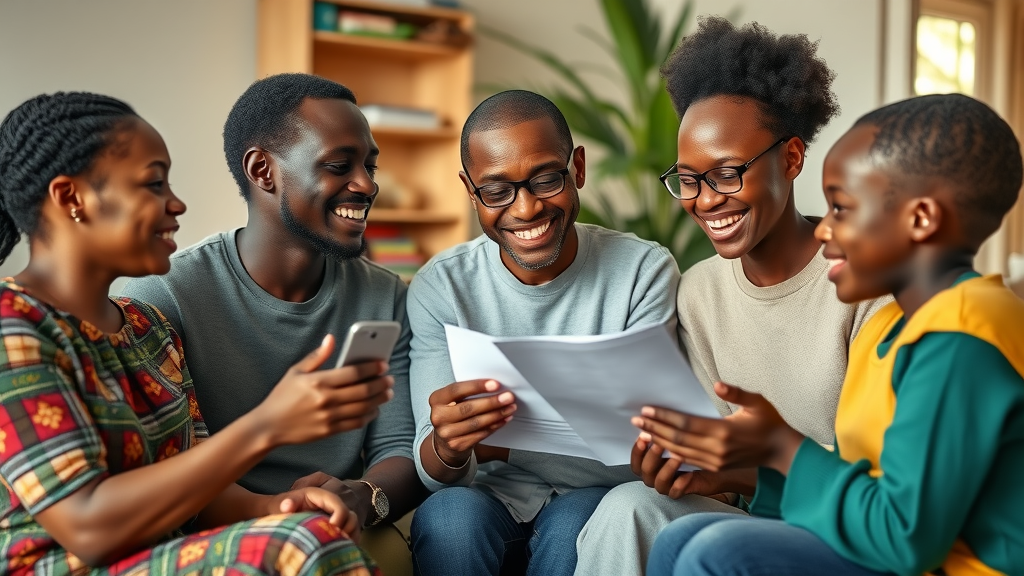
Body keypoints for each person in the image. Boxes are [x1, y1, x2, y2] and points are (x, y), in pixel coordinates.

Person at [0, 91, 390, 573]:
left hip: (163, 553)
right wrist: (267, 426)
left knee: (307, 533)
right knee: (296, 550)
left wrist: (279, 509)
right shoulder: (13, 326)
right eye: (153, 184)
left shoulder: (148, 329)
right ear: (71, 198)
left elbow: (204, 494)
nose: (177, 203)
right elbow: (88, 529)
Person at [641, 93, 1024, 576]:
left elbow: (907, 538)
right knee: (679, 538)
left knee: (718, 553)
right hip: (891, 549)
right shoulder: (892, 327)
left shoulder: (963, 333)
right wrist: (753, 471)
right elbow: (860, 488)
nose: (824, 231)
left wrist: (781, 446)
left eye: (842, 208)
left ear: (921, 219)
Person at [575, 17, 890, 575]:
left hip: (855, 529)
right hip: (760, 515)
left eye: (726, 173)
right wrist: (693, 470)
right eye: (688, 179)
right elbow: (724, 464)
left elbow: (888, 489)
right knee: (628, 508)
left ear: (791, 159)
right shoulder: (699, 293)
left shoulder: (864, 283)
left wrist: (748, 475)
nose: (704, 201)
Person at [121, 74, 425, 540]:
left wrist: (361, 498)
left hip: (337, 528)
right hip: (215, 529)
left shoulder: (385, 295)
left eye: (369, 165)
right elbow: (158, 477)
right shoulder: (162, 298)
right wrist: (280, 510)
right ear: (263, 170)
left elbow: (397, 446)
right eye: (340, 165)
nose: (366, 185)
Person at [406, 90, 680, 576]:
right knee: (448, 519)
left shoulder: (643, 271)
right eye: (496, 191)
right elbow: (435, 472)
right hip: (484, 498)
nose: (527, 208)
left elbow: (644, 454)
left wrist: (499, 443)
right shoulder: (441, 286)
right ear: (471, 192)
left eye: (546, 179)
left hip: (594, 494)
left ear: (577, 168)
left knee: (579, 521)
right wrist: (449, 447)